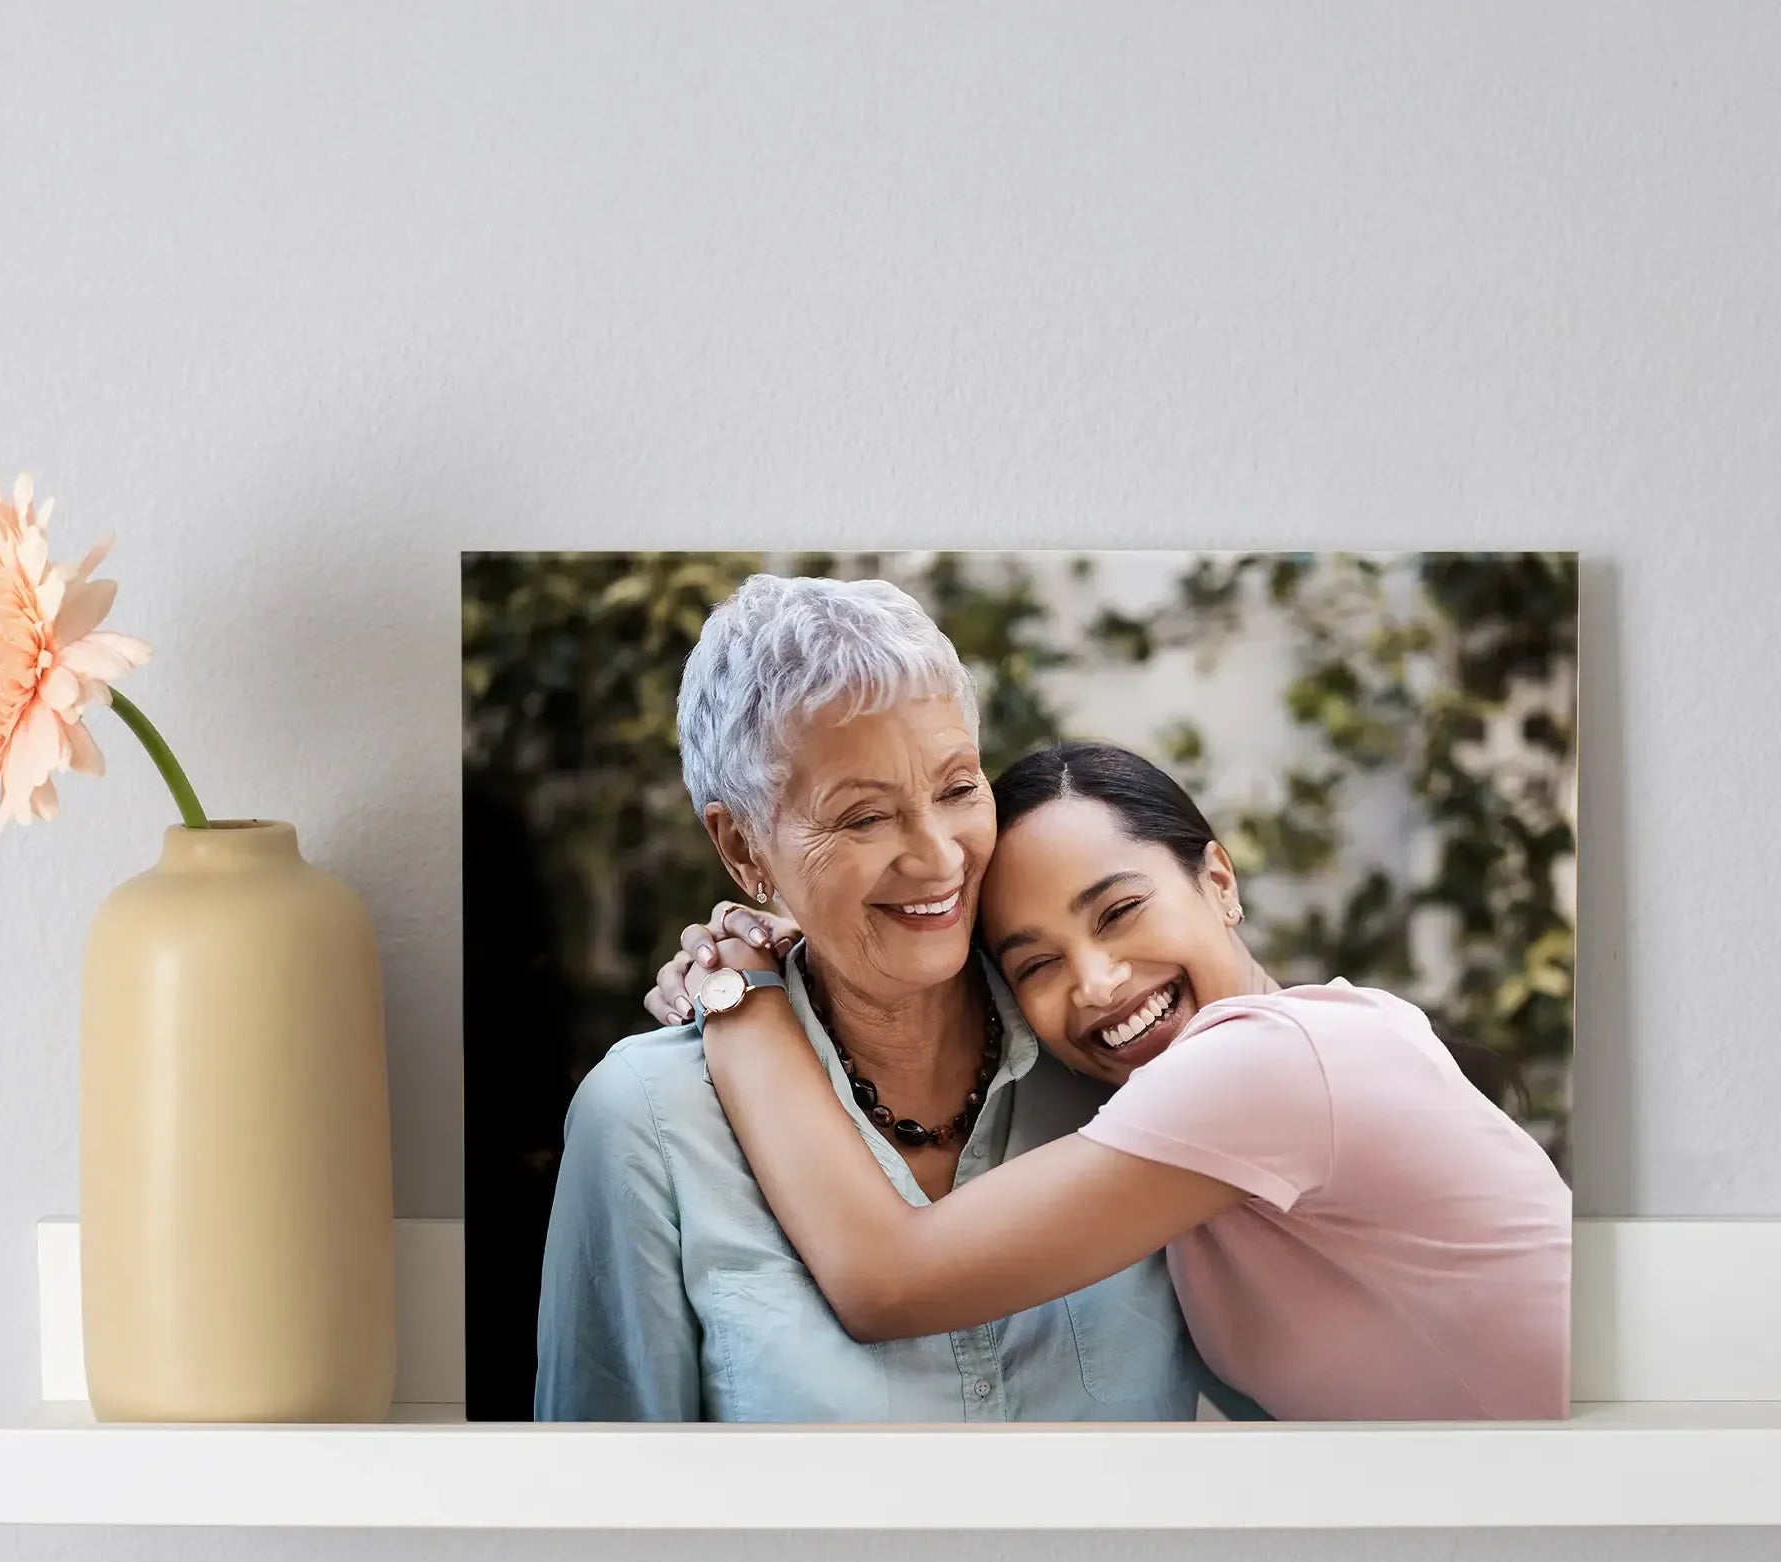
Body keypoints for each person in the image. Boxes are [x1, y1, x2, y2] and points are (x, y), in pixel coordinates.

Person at [673, 740, 1572, 1422]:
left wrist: (742, 995)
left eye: (1119, 911)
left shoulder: (1274, 1064)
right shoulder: (1197, 1119)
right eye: (1036, 965)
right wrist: (818, 945)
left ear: (1217, 879)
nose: (1097, 983)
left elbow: (887, 1282)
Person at [534, 581, 1202, 1422]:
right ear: (743, 848)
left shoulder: (1114, 1047)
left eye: (959, 790)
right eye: (863, 819)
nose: (936, 859)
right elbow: (609, 1501)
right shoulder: (647, 1123)